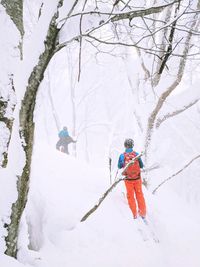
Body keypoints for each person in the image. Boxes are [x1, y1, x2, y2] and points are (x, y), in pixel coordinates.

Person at [118, 138, 146, 219]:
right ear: (132, 145)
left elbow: (119, 166)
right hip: (137, 179)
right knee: (139, 195)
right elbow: (141, 166)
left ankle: (134, 215)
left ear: (125, 145)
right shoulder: (136, 154)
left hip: (128, 180)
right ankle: (143, 214)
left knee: (130, 196)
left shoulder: (122, 155)